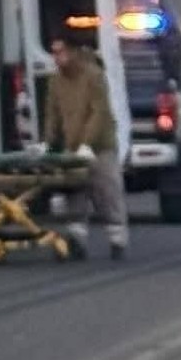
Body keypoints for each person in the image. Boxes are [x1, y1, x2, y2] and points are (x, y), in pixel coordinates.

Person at [37, 34, 129, 261]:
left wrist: (88, 144)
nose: (56, 58)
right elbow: (52, 114)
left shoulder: (93, 76)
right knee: (75, 194)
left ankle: (117, 240)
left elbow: (99, 112)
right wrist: (48, 142)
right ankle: (76, 241)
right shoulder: (56, 81)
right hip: (73, 146)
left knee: (107, 192)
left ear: (73, 51)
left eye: (60, 52)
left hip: (100, 147)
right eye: (54, 53)